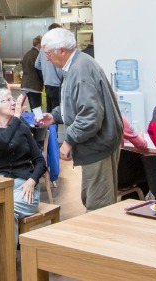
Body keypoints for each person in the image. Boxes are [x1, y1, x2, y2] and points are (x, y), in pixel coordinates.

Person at [37, 28, 123, 211]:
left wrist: (69, 141)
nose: (46, 59)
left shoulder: (80, 70)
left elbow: (91, 116)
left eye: (48, 53)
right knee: (92, 198)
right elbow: (75, 104)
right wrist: (55, 116)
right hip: (96, 145)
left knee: (98, 206)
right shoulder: (76, 65)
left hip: (98, 146)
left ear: (61, 50)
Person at [0, 88, 46, 281]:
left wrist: (32, 180)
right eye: (7, 100)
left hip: (24, 186)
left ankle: (8, 266)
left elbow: (40, 160)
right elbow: (4, 141)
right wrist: (16, 118)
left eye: (12, 99)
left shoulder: (21, 127)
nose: (12, 102)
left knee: (7, 211)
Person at [35, 23, 64, 112]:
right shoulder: (56, 47)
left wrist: (46, 72)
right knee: (57, 111)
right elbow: (59, 69)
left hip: (47, 83)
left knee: (49, 109)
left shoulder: (43, 48)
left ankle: (49, 126)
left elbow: (37, 64)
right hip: (57, 84)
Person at [21, 35, 44, 110]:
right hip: (34, 85)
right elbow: (39, 70)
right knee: (36, 109)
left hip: (25, 84)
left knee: (32, 107)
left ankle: (33, 120)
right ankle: (36, 121)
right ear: (39, 44)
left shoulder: (27, 54)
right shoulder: (37, 55)